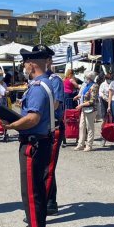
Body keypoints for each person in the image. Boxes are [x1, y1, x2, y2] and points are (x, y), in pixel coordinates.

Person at [0, 46, 54, 227]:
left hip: (34, 144)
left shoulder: (39, 87)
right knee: (35, 192)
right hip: (38, 142)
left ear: (32, 64)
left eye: (25, 63)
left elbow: (33, 119)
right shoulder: (43, 84)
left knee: (32, 195)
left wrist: (11, 126)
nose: (24, 67)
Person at [42, 47, 64, 216]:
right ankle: (50, 201)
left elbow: (55, 104)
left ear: (49, 61)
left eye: (44, 59)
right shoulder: (37, 79)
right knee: (44, 166)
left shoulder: (54, 79)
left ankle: (49, 202)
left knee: (48, 167)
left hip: (53, 125)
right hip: (41, 127)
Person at [74, 71, 99, 152]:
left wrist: (81, 105)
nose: (85, 79)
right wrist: (79, 96)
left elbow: (92, 100)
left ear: (90, 78)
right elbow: (85, 95)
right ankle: (80, 144)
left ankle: (89, 145)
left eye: (86, 78)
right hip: (84, 109)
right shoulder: (87, 85)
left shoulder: (94, 86)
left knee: (90, 127)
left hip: (91, 109)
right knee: (82, 126)